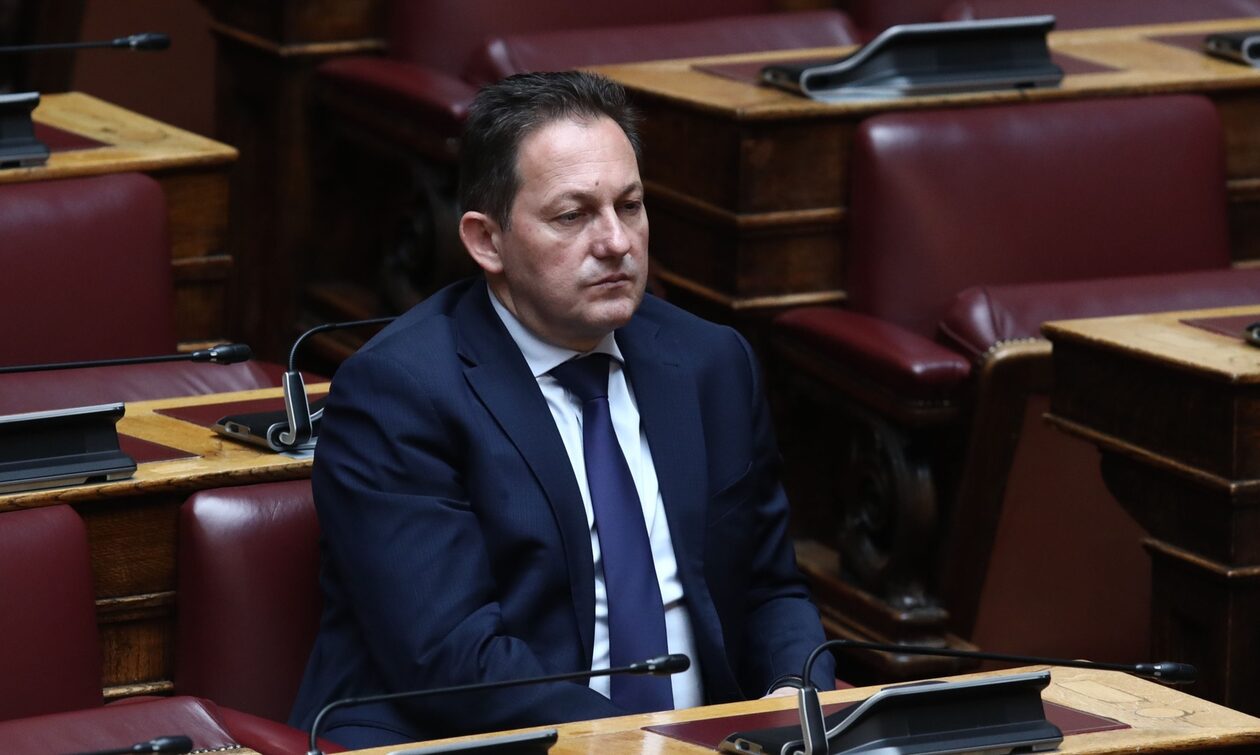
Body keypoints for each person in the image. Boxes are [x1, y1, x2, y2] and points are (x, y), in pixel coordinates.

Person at [289, 70, 834, 748]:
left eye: (629, 206)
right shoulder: (399, 393)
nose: (616, 242)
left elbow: (769, 589)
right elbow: (454, 660)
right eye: (572, 216)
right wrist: (650, 746)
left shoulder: (712, 363)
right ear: (486, 241)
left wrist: (793, 692)